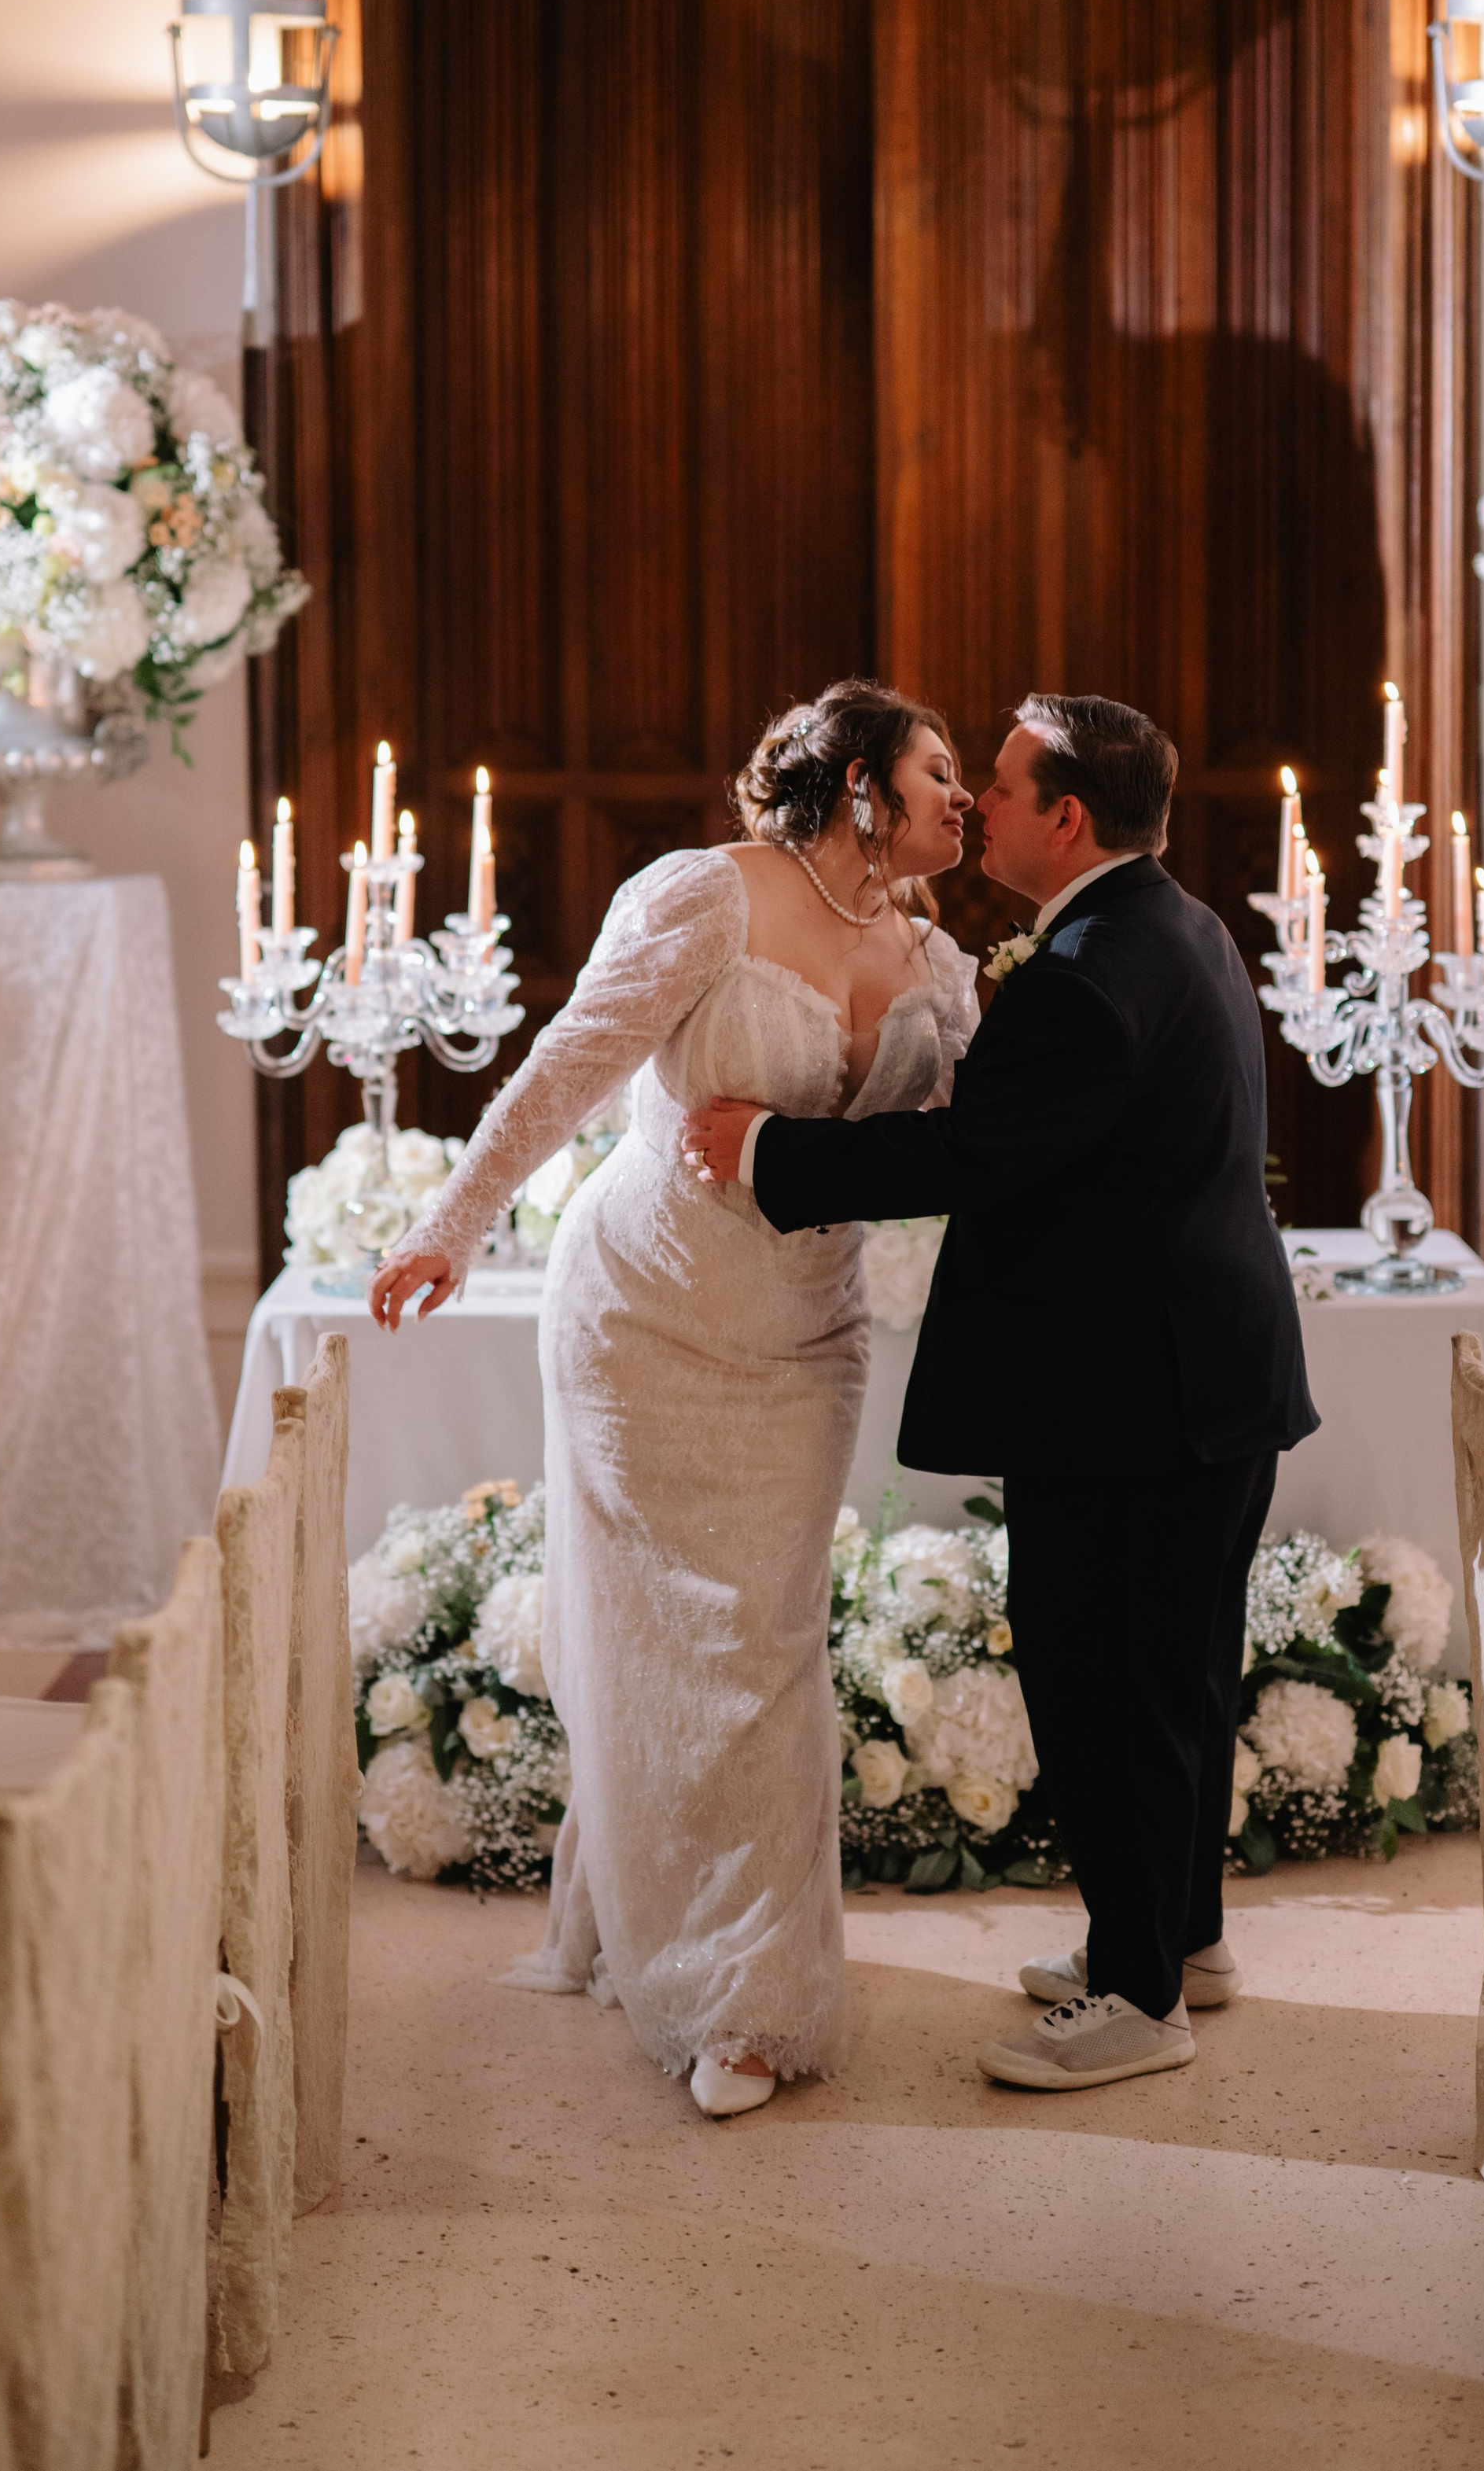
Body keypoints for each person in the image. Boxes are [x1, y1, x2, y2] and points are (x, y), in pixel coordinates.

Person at [683, 693, 1318, 2094]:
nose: (979, 808)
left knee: (1110, 1686)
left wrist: (765, 1152)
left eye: (1008, 785)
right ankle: (1180, 1939)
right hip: (1211, 1381)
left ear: (1069, 818)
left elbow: (969, 1159)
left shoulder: (1087, 973)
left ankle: (1141, 1997)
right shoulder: (1176, 924)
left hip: (1135, 1408)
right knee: (1184, 1677)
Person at [366, 682, 977, 2117]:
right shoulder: (708, 896)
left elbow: (962, 1153)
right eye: (942, 770)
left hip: (804, 1338)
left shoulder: (941, 963)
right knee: (656, 1647)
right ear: (865, 787)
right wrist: (452, 1223)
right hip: (640, 1322)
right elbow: (569, 1063)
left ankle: (727, 1955)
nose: (965, 798)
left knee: (763, 1644)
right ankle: (733, 2004)